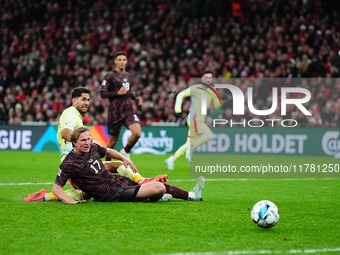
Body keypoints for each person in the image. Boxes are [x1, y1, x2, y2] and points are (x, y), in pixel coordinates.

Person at [25, 87, 166, 202]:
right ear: (74, 100)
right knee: (88, 192)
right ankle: (142, 182)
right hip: (75, 161)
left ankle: (142, 182)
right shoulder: (70, 113)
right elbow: (66, 133)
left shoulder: (76, 115)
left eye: (88, 100)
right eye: (83, 100)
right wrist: (82, 142)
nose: (86, 103)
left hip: (81, 158)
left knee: (109, 172)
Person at [52, 126, 205, 203]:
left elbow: (109, 151)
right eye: (83, 140)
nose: (87, 143)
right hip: (110, 193)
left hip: (115, 181)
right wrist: (71, 202)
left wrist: (125, 159)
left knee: (153, 185)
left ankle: (154, 197)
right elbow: (56, 188)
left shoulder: (92, 147)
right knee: (159, 186)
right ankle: (192, 195)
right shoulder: (69, 162)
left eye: (88, 139)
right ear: (74, 143)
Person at [165, 71, 222, 170]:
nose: (208, 79)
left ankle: (171, 159)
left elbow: (217, 105)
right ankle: (190, 149)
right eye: (206, 77)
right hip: (194, 119)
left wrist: (220, 100)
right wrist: (178, 109)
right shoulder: (196, 89)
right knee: (209, 135)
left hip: (200, 120)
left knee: (189, 142)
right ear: (202, 78)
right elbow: (180, 95)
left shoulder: (212, 91)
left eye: (210, 78)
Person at [100, 51, 143, 160]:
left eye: (124, 60)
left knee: (137, 133)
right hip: (115, 113)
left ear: (126, 61)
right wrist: (116, 93)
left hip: (128, 110)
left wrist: (135, 98)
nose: (122, 62)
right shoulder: (109, 76)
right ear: (115, 61)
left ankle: (125, 151)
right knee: (112, 142)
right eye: (119, 60)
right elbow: (103, 93)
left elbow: (128, 91)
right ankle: (106, 166)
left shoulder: (128, 76)